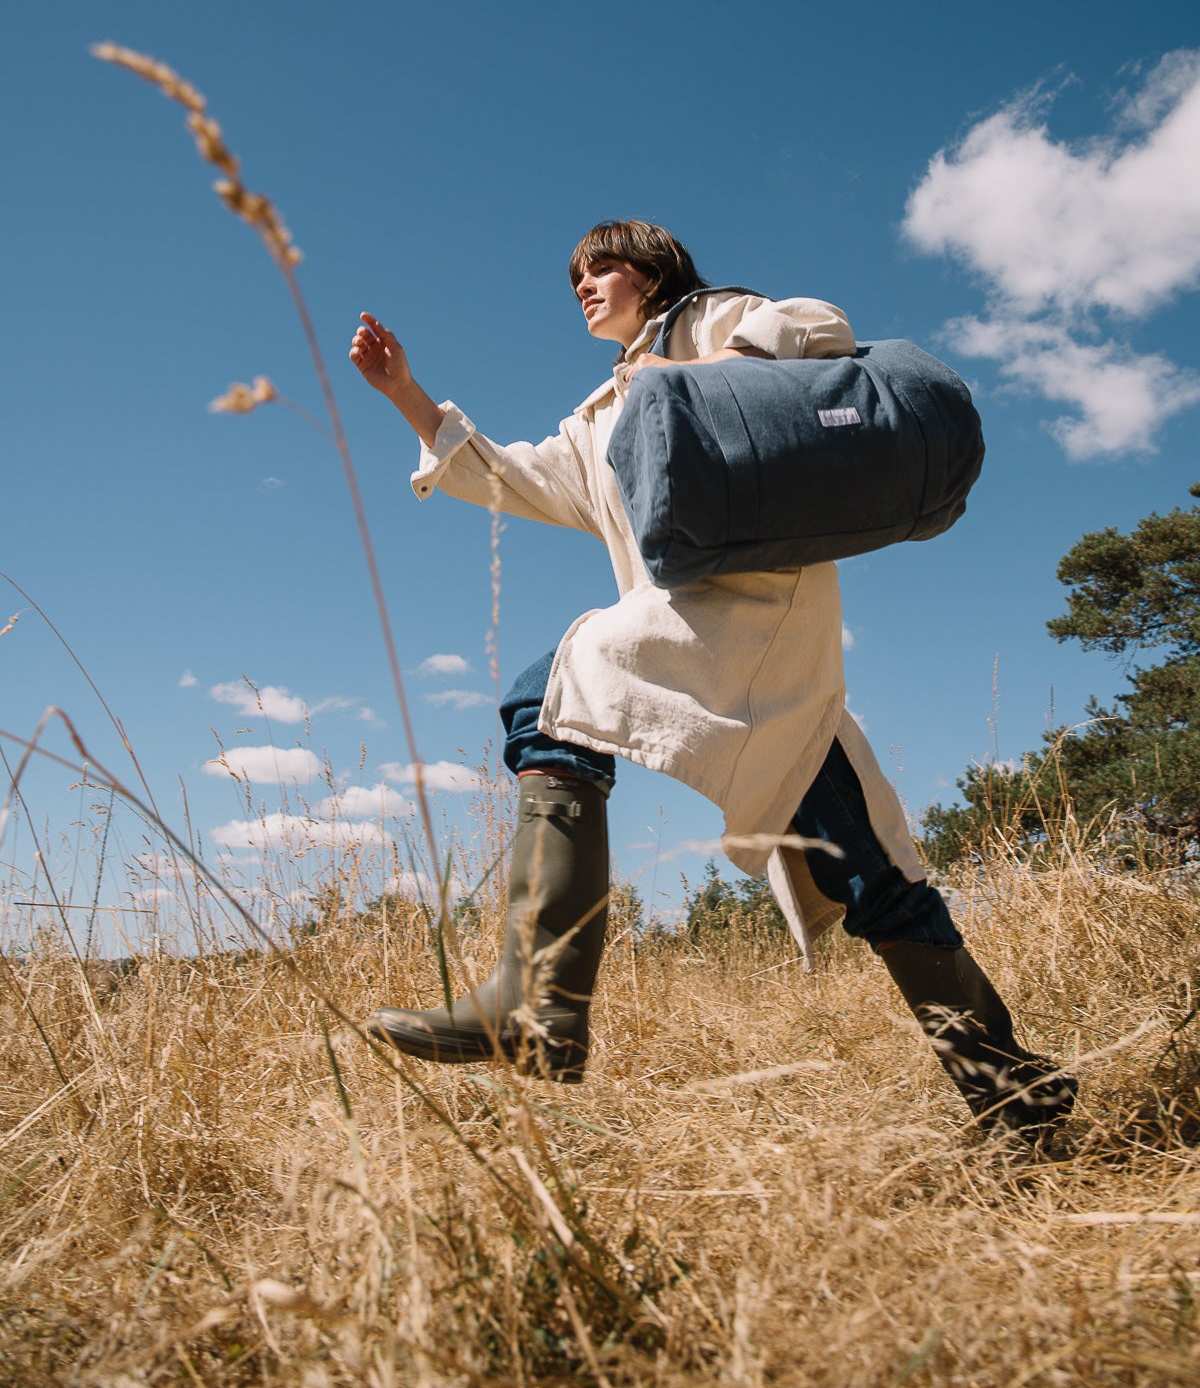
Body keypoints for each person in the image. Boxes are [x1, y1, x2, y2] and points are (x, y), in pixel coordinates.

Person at [349, 221, 1075, 1135]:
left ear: (651, 272)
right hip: (711, 655)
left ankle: (541, 1004)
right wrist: (405, 394)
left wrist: (711, 366)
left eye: (601, 267)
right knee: (875, 881)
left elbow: (814, 322)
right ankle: (1016, 1090)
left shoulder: (706, 320)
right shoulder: (599, 414)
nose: (583, 284)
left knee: (544, 700)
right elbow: (508, 478)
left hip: (754, 623)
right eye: (575, 276)